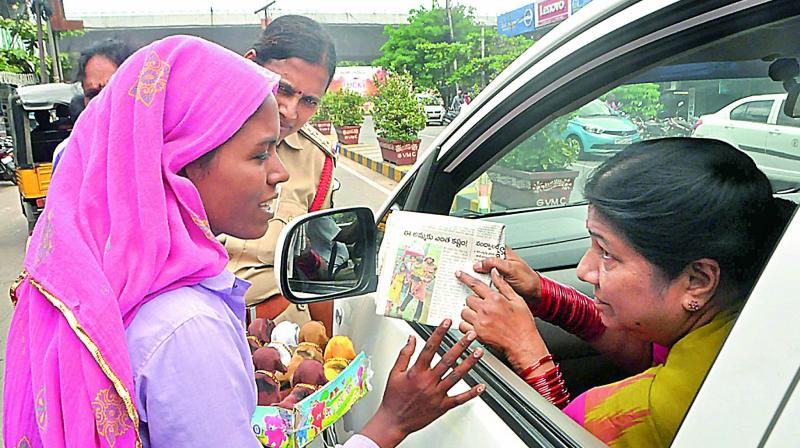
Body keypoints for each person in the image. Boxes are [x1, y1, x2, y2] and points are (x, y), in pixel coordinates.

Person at [4, 35, 484, 448]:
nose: (278, 172)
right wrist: (386, 426)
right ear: (181, 166)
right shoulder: (187, 330)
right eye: (259, 155)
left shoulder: (118, 284)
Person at [455, 138, 794, 447]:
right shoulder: (754, 313)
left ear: (698, 281)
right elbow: (645, 352)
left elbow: (565, 436)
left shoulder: (649, 409)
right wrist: (543, 294)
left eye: (607, 253)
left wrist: (525, 350)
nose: (584, 270)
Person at [224, 15, 340, 335]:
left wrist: (325, 348)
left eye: (309, 101)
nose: (290, 110)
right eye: (283, 89)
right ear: (251, 65)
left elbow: (317, 269)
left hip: (284, 336)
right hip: (200, 333)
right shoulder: (198, 137)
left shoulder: (317, 160)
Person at [52, 38, 134, 170]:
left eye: (112, 91)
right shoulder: (68, 154)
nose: (102, 103)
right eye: (93, 94)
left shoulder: (164, 150)